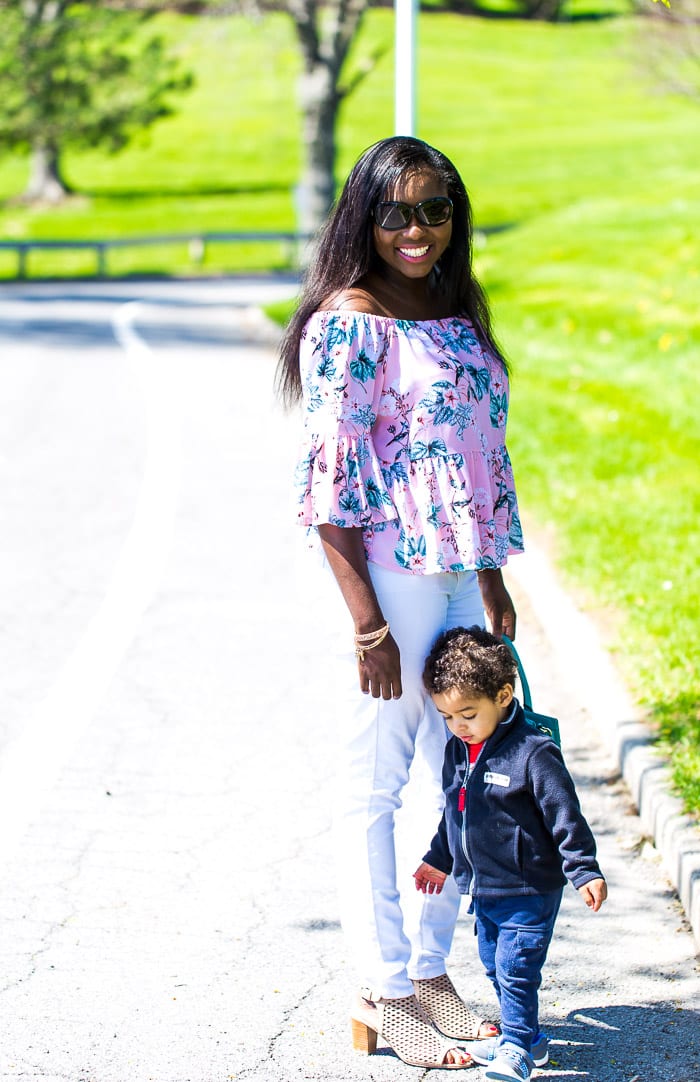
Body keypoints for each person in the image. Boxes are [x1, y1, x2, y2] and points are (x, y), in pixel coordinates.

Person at [276, 135, 524, 1069]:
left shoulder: (454, 310)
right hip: (392, 578)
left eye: (433, 210)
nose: (415, 230)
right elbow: (327, 489)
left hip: (462, 573)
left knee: (459, 776)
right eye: (394, 212)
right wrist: (368, 626)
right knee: (377, 788)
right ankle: (381, 988)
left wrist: (492, 574)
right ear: (364, 219)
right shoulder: (351, 320)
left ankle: (428, 969)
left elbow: (481, 453)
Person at [415, 626, 608, 1081]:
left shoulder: (532, 752)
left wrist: (584, 869)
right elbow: (454, 814)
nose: (457, 726)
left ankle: (516, 1047)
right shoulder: (459, 752)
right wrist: (439, 858)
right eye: (446, 716)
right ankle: (533, 1041)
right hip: (485, 890)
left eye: (467, 714)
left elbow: (566, 814)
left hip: (529, 886)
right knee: (493, 966)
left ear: (503, 695)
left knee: (515, 967)